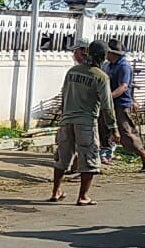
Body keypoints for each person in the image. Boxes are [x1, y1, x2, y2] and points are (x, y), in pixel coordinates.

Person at [51, 40, 120, 206]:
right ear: (103, 57)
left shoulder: (72, 71)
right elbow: (107, 106)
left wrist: (64, 116)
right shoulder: (101, 76)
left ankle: (55, 192)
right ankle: (83, 196)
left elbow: (64, 95)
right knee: (89, 158)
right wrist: (113, 128)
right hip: (86, 123)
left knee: (62, 158)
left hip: (67, 121)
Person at [104, 39, 145, 172]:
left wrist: (108, 97)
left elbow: (124, 86)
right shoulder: (108, 65)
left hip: (121, 104)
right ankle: (103, 157)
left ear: (113, 54)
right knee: (104, 131)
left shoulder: (123, 66)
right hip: (108, 104)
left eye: (107, 52)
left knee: (127, 134)